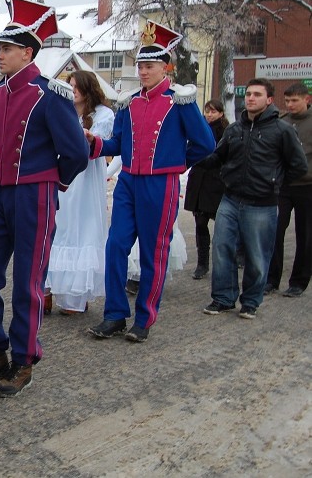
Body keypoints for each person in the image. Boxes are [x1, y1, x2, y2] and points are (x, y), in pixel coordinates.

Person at [0, 0, 88, 397]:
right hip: (0, 195)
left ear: (28, 51)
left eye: (6, 48)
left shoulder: (50, 95)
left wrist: (50, 184)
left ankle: (24, 359)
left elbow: (76, 152)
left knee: (27, 281)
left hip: (34, 197)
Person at [86, 20, 214, 342]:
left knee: (153, 252)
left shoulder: (179, 100)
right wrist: (94, 144)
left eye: (150, 65)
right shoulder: (130, 103)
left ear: (165, 67)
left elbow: (205, 145)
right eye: (141, 65)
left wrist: (176, 164)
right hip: (129, 181)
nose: (143, 71)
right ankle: (115, 314)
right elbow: (118, 144)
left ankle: (144, 318)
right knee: (115, 246)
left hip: (161, 184)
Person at [200, 79, 307, 318]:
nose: (250, 98)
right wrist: (191, 159)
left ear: (269, 100)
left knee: (257, 255)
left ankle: (250, 301)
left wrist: (274, 183)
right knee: (222, 248)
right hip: (230, 199)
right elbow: (218, 157)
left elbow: (298, 167)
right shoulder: (234, 129)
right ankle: (223, 298)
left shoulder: (282, 130)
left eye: (257, 94)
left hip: (261, 204)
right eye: (248, 94)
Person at [44, 70, 114, 315]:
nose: (72, 90)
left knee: (81, 229)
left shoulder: (103, 115)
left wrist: (88, 138)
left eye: (76, 86)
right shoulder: (63, 110)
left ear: (88, 88)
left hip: (86, 178)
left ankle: (74, 296)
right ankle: (48, 289)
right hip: (64, 175)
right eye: (69, 85)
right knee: (58, 228)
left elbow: (101, 143)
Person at [265, 84, 312, 298]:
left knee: (305, 235)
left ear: (307, 99)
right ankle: (271, 279)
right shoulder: (281, 122)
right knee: (274, 231)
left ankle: (298, 282)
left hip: (307, 187)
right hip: (283, 186)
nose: (290, 104)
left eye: (295, 100)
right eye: (288, 100)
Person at [184, 100, 229, 280]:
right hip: (199, 180)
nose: (209, 115)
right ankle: (202, 263)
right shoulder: (199, 127)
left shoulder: (226, 131)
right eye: (207, 111)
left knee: (223, 224)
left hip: (217, 182)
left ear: (221, 113)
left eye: (213, 111)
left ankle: (229, 259)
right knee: (200, 223)